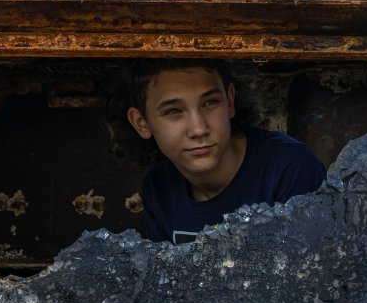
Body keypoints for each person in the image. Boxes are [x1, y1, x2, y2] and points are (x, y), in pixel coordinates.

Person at [125, 59, 327, 244]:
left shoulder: (290, 169)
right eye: (173, 111)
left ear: (230, 102)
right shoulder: (158, 188)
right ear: (141, 123)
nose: (199, 129)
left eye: (210, 102)